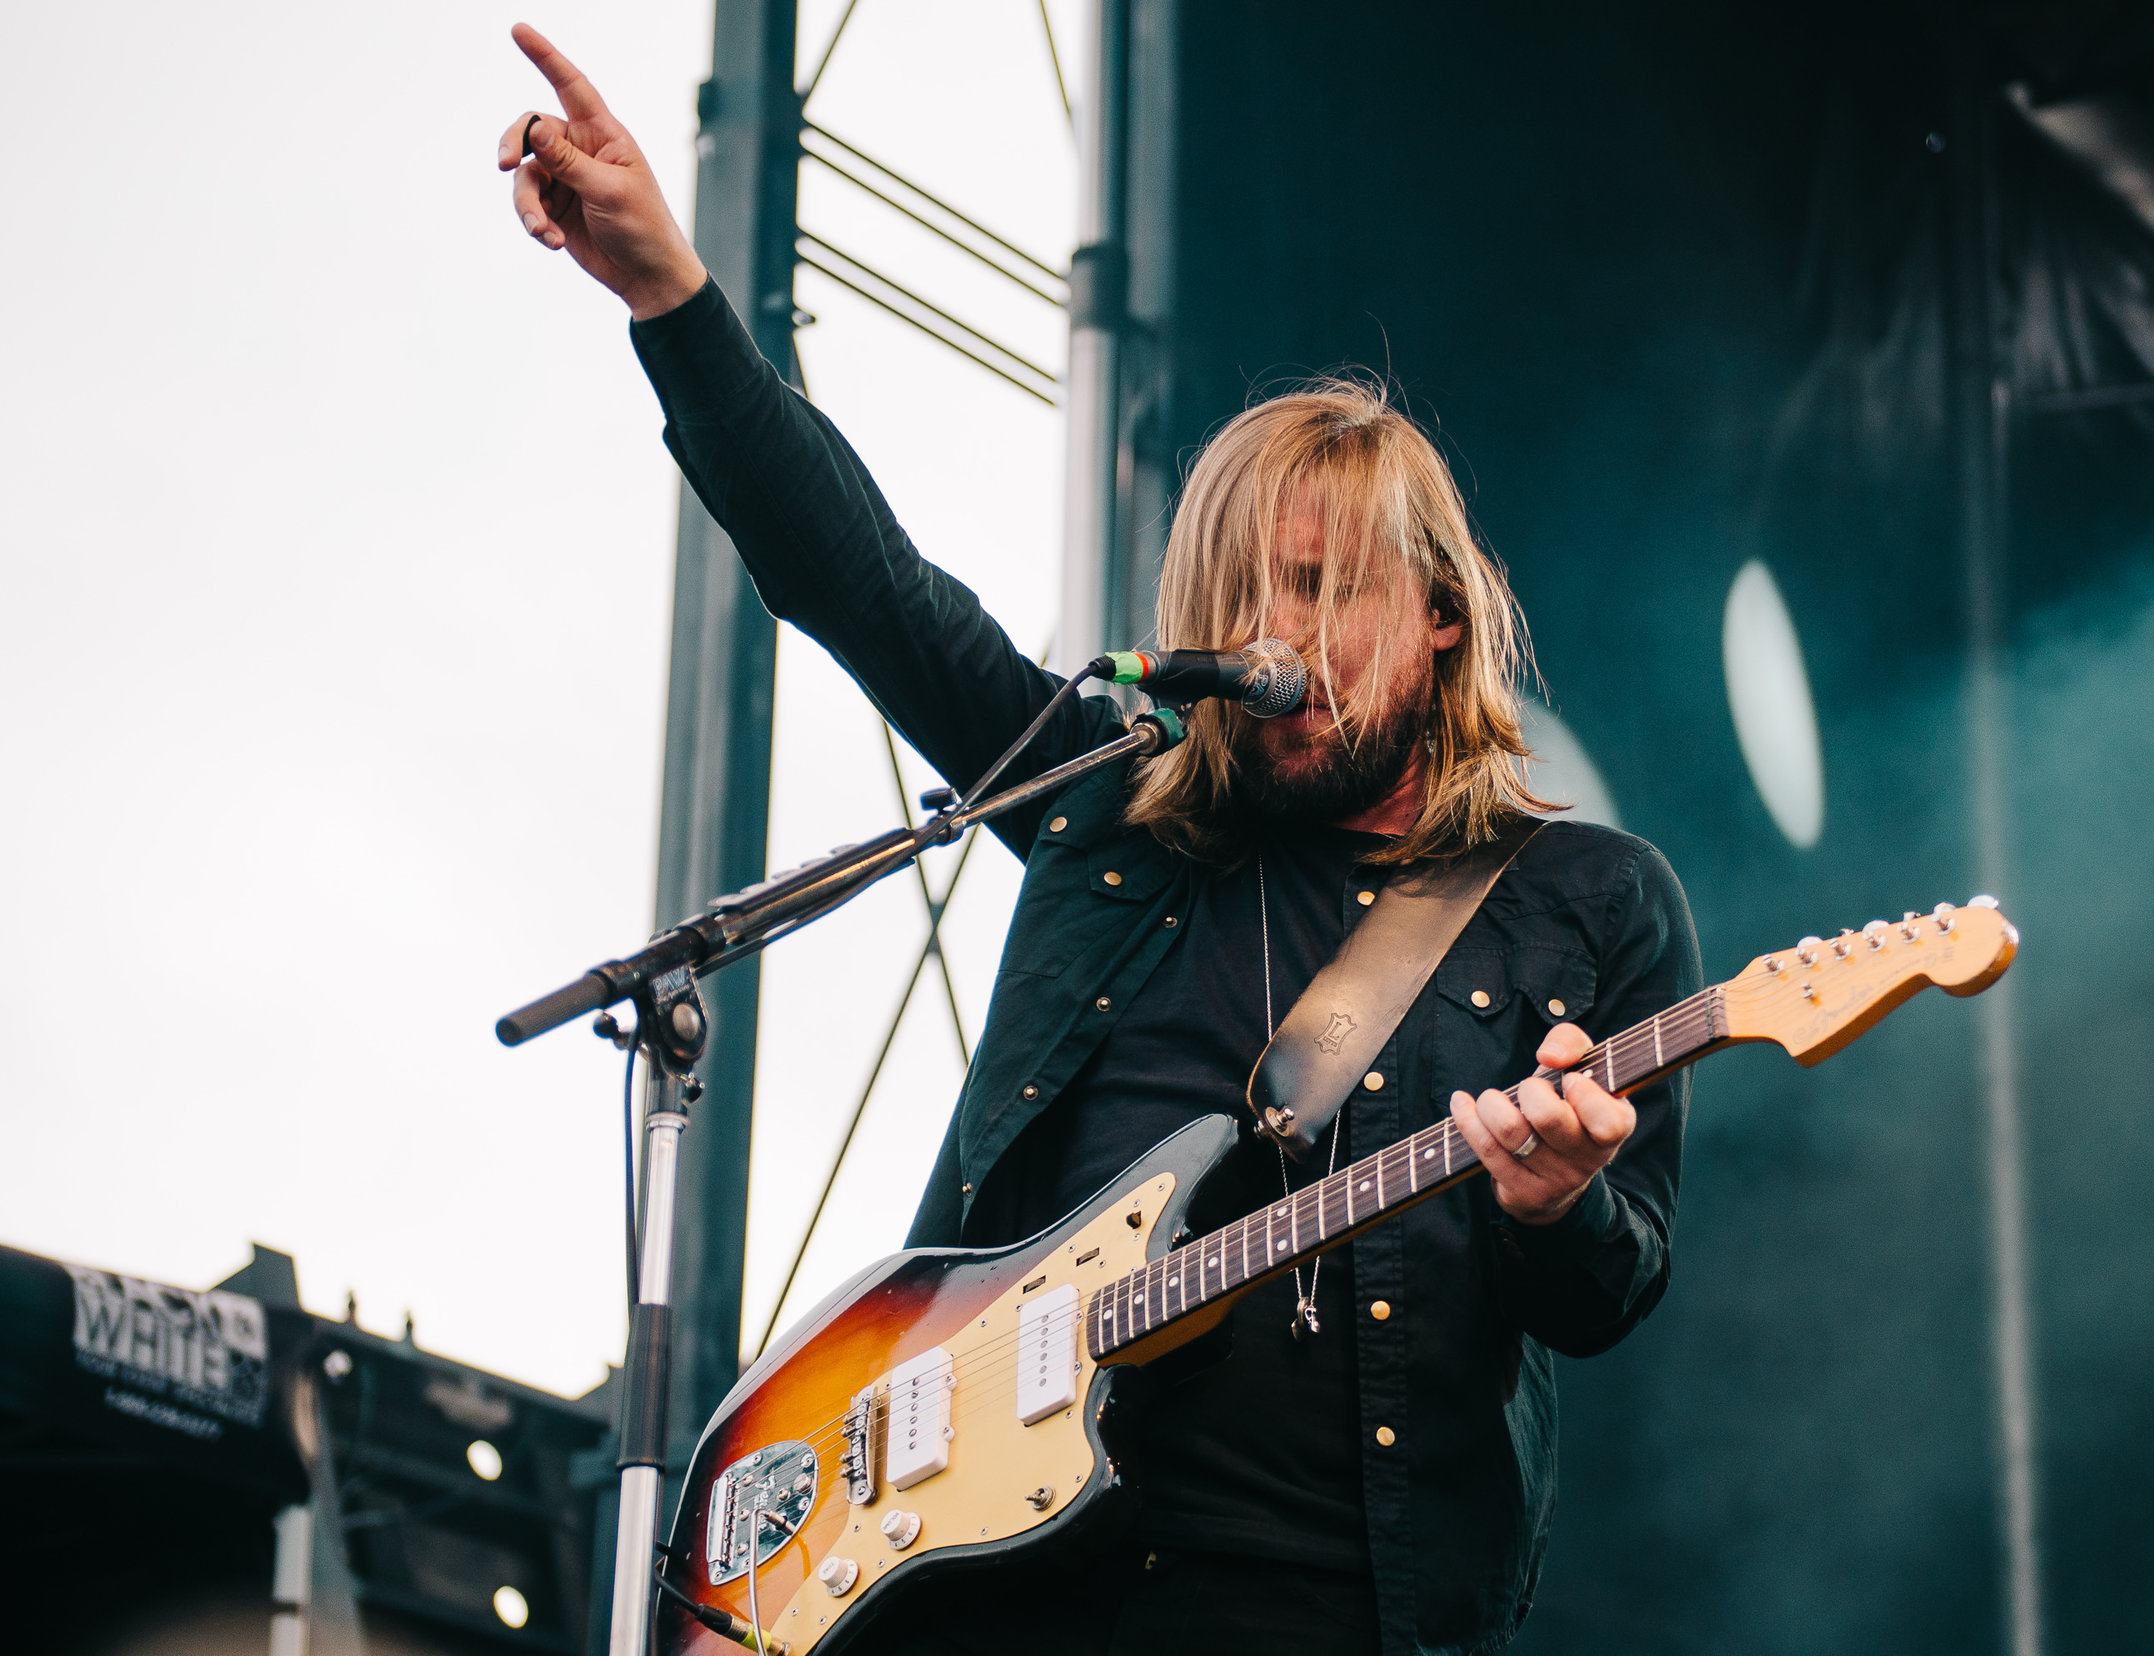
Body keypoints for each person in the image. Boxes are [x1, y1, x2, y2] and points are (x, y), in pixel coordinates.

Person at [498, 24, 1700, 1656]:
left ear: (1435, 616)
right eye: (1244, 591)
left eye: (1323, 585)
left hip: (1336, 1608)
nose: (1277, 629)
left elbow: (1614, 1291)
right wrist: (670, 299)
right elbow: (867, 585)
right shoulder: (1114, 802)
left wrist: (1558, 1201)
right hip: (1001, 1594)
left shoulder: (1584, 900)